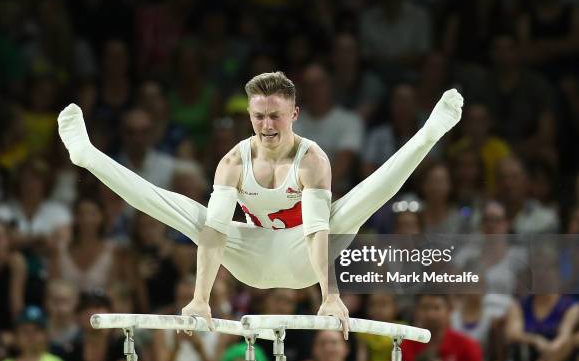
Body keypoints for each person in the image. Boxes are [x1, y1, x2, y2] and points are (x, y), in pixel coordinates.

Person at [57, 72, 464, 337]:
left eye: (276, 116)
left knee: (354, 204)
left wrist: (330, 294)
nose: (267, 126)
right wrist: (202, 297)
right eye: (258, 117)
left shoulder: (312, 160)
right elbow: (215, 233)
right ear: (249, 115)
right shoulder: (233, 162)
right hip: (248, 256)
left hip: (303, 255)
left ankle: (428, 134)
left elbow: (317, 231)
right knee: (189, 213)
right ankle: (89, 156)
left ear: (295, 115)